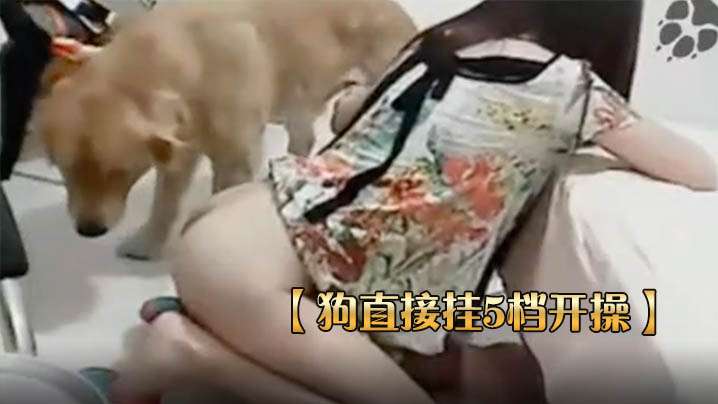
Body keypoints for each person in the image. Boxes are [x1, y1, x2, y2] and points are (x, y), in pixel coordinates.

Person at [111, 1, 718, 403]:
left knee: (439, 358)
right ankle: (189, 355)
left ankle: (209, 326)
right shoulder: (575, 90)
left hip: (242, 222)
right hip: (259, 273)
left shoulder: (445, 40)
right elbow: (700, 170)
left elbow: (348, 116)